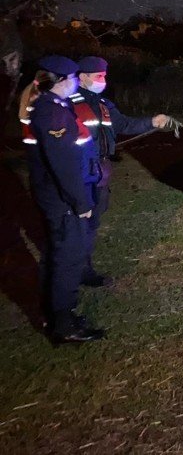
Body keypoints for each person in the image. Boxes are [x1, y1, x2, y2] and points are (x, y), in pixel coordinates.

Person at [22, 55, 104, 343]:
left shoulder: (54, 106)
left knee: (58, 254)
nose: (75, 83)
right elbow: (64, 165)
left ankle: (54, 315)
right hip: (63, 199)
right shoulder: (51, 113)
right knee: (68, 258)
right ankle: (64, 324)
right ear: (62, 81)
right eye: (72, 79)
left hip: (57, 195)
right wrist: (81, 203)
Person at [72, 56, 174, 286]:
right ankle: (71, 270)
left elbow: (125, 124)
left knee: (93, 220)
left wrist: (152, 122)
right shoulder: (69, 104)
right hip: (78, 172)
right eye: (98, 76)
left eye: (105, 76)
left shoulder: (103, 105)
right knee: (75, 223)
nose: (103, 80)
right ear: (83, 77)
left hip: (100, 171)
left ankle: (83, 268)